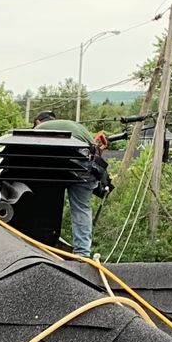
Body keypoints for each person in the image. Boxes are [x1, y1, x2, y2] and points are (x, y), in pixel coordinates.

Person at [31, 110, 110, 257]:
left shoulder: (40, 129)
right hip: (90, 165)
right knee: (81, 208)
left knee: (46, 203)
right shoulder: (72, 125)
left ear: (38, 122)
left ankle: (42, 245)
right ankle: (83, 253)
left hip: (70, 160)